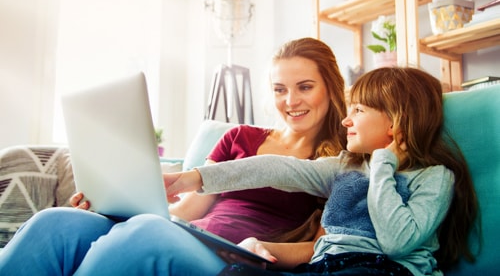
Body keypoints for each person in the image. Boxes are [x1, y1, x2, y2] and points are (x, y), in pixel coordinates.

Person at [0, 37, 348, 275]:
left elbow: (322, 247)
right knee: (57, 222)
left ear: (330, 87)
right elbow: (191, 208)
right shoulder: (239, 137)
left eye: (304, 87)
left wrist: (256, 245)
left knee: (146, 232)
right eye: (279, 89)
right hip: (191, 234)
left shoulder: (342, 161)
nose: (290, 101)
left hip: (239, 257)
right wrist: (116, 205)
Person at [165, 67, 480, 276]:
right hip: (324, 267)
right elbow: (275, 169)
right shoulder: (346, 166)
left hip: (384, 269)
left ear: (396, 120)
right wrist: (192, 178)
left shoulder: (435, 178)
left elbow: (397, 241)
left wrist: (384, 162)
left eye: (358, 110)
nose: (346, 120)